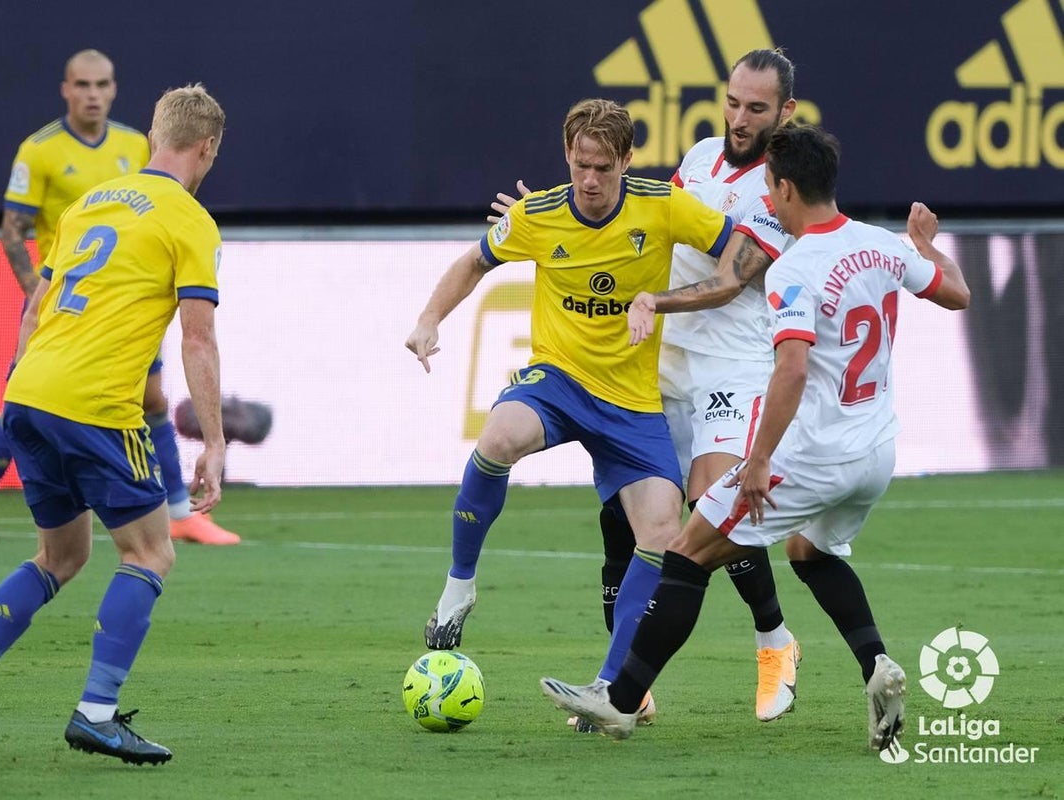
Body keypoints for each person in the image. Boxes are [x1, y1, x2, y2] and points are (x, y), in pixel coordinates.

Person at [540, 122, 971, 751]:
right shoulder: (882, 245)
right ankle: (877, 665)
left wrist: (759, 459)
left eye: (770, 189)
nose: (765, 200)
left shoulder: (794, 269)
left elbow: (792, 368)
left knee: (688, 550)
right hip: (877, 451)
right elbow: (957, 292)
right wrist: (926, 245)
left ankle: (622, 700)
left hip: (815, 455)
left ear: (788, 188)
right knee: (809, 554)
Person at [490, 50, 804, 726]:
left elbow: (728, 282)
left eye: (757, 107)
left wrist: (654, 302)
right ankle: (626, 686)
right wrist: (553, 216)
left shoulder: (781, 188)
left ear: (786, 113)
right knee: (625, 526)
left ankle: (775, 640)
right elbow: (638, 209)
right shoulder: (696, 160)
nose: (740, 118)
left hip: (731, 364)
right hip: (658, 363)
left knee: (711, 509)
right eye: (734, 102)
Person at [0, 84, 229, 766]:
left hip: (27, 392)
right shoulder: (190, 220)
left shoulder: (92, 202)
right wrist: (212, 440)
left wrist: (22, 392)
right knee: (150, 553)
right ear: (207, 147)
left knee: (63, 556)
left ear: (154, 136)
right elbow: (198, 338)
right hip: (94, 405)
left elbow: (35, 309)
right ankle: (96, 712)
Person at [407, 98, 733, 726]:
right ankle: (458, 587)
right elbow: (475, 260)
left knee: (664, 534)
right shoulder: (538, 214)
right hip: (558, 380)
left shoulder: (662, 207)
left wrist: (665, 300)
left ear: (627, 161)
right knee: (499, 437)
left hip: (633, 403)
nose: (589, 180)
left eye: (603, 168)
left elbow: (736, 254)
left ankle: (610, 694)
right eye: (581, 165)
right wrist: (427, 319)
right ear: (567, 156)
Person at [0, 49, 239, 547]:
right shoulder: (39, 149)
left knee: (150, 399)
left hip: (126, 301)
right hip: (61, 298)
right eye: (83, 85)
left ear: (113, 90)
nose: (93, 94)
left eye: (102, 85)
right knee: (27, 400)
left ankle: (179, 510)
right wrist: (41, 294)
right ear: (66, 89)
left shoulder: (136, 145)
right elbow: (12, 228)